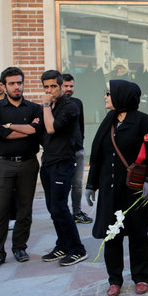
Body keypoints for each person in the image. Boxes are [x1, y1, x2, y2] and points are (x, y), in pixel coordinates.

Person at [85, 80, 148, 296]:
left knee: (138, 235)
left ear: (121, 95)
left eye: (109, 93)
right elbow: (97, 157)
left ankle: (141, 277)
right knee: (112, 236)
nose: (106, 97)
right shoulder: (107, 122)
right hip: (110, 191)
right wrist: (91, 185)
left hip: (135, 189)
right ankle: (114, 279)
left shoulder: (143, 121)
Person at [0, 67, 42, 271]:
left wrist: (9, 126)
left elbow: (38, 131)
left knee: (25, 209)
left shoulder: (34, 108)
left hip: (28, 163)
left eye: (19, 82)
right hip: (3, 164)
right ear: (4, 86)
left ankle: (20, 247)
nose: (17, 86)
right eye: (12, 83)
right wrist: (27, 130)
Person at [39, 70, 88, 266]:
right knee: (53, 208)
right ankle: (63, 244)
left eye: (53, 86)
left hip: (63, 162)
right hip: (48, 161)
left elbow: (51, 128)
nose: (50, 90)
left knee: (60, 206)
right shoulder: (50, 107)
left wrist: (44, 105)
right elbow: (39, 130)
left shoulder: (70, 106)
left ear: (61, 86)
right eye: (46, 87)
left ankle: (77, 248)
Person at [61, 74, 92, 224]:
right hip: (61, 152)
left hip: (78, 150)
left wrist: (80, 141)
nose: (69, 89)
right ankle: (62, 212)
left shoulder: (77, 103)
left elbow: (80, 125)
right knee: (62, 184)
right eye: (66, 86)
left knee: (77, 184)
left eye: (71, 86)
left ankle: (77, 211)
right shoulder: (53, 104)